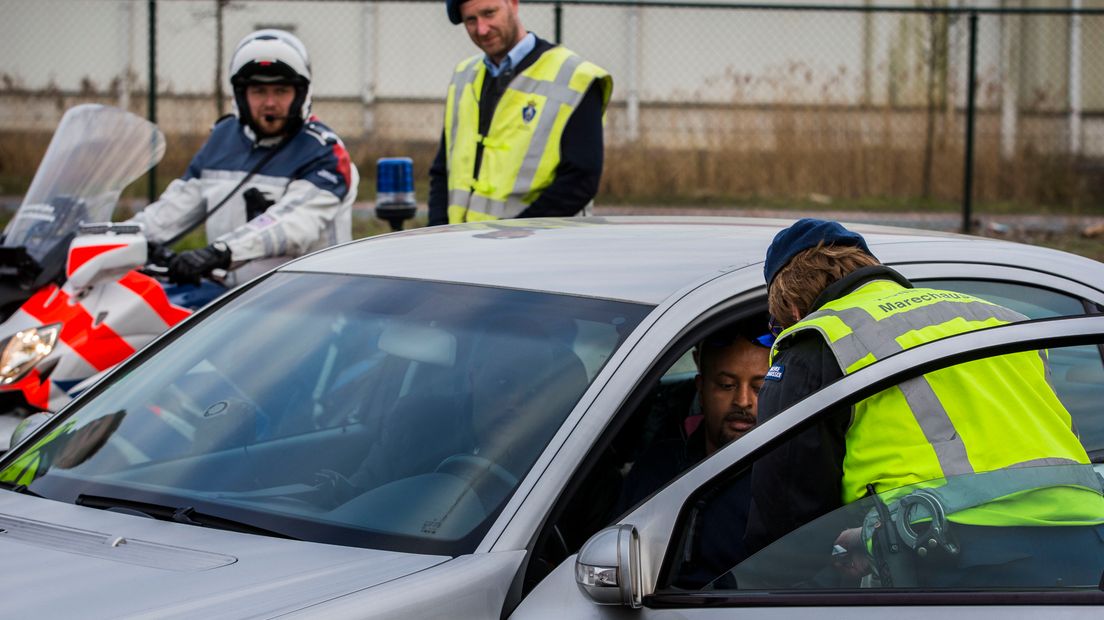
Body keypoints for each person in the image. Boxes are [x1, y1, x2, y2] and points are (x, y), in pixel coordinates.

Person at [744, 218, 1104, 587]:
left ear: (790, 306)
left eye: (777, 325)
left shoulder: (819, 341)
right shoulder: (999, 317)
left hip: (958, 554)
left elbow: (786, 522)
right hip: (1086, 538)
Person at [129, 29, 357, 287]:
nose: (270, 103)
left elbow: (293, 225)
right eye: (259, 91)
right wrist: (115, 238)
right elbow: (174, 208)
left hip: (312, 300)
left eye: (281, 91)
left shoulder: (324, 151)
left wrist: (221, 252)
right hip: (234, 301)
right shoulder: (222, 139)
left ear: (300, 94)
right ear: (241, 95)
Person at [427, 0, 612, 225]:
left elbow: (581, 180)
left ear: (513, 4)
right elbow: (443, 170)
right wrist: (436, 234)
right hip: (466, 246)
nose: (482, 29)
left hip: (543, 249)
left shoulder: (575, 77)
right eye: (471, 20)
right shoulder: (464, 75)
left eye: (489, 13)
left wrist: (517, 234)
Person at [617, 322, 769, 588]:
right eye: (726, 385)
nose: (743, 401)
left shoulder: (788, 479)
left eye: (760, 387)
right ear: (701, 386)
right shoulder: (658, 467)